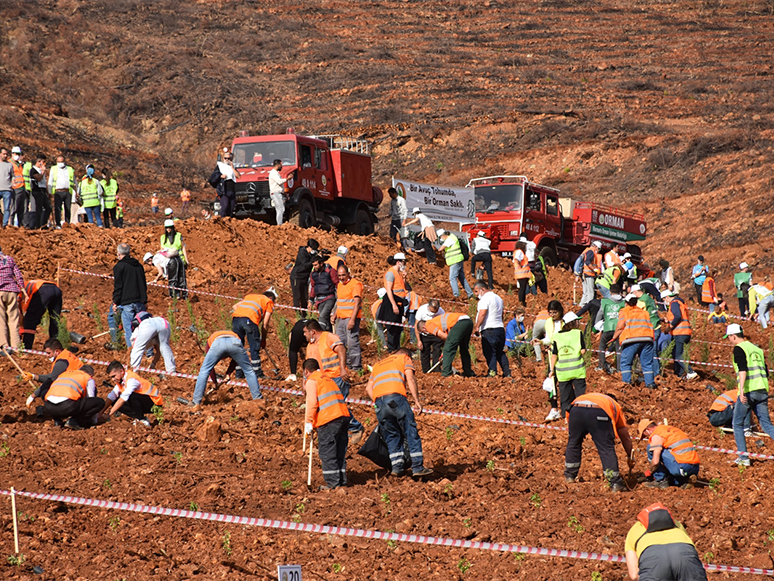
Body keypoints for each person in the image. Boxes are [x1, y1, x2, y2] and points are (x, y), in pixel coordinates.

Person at [365, 348, 432, 478]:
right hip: (396, 398)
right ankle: (417, 467)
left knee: (391, 434)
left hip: (379, 402)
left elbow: (368, 388)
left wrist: (379, 402)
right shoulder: (404, 359)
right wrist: (417, 401)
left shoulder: (378, 364)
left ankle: (397, 467)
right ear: (406, 354)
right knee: (410, 430)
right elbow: (410, 379)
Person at [303, 320, 364, 442]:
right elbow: (308, 366)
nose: (304, 335)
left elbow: (341, 349)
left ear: (312, 332)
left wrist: (342, 369)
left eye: (305, 332)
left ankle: (355, 427)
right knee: (327, 407)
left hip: (337, 377)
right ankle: (339, 432)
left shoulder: (328, 337)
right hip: (324, 381)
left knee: (337, 406)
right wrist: (305, 383)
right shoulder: (311, 346)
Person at [725, 323, 774, 466]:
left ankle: (744, 457)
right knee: (766, 424)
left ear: (733, 336)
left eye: (729, 337)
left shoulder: (739, 348)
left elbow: (743, 369)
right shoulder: (757, 349)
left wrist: (741, 390)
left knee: (737, 423)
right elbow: (765, 371)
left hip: (748, 391)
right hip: (762, 390)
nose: (729, 340)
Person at [564, 392, 633, 492]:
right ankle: (615, 483)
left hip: (575, 410)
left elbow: (569, 419)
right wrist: (630, 455)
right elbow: (624, 435)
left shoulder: (588, 396)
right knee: (606, 448)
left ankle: (570, 476)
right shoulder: (614, 405)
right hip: (599, 412)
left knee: (573, 442)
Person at [624, 503, 708, 581]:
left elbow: (634, 575)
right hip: (684, 553)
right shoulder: (676, 524)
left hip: (653, 560)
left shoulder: (634, 529)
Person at [303, 358, 350, 490]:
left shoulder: (312, 380)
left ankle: (333, 484)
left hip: (329, 419)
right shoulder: (327, 378)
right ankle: (341, 481)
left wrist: (308, 422)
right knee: (339, 450)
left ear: (306, 371)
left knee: (327, 452)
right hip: (343, 416)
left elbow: (312, 403)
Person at [191, 330, 263, 406]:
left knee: (204, 370)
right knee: (248, 370)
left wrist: (214, 382)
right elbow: (236, 360)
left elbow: (210, 368)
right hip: (234, 342)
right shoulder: (235, 335)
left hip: (218, 343)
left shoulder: (210, 340)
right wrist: (228, 373)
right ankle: (257, 399)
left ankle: (196, 402)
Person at [612, 293, 657, 389]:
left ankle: (627, 384)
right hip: (647, 339)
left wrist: (614, 337)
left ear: (626, 302)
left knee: (625, 362)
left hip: (631, 339)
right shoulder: (644, 312)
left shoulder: (624, 311)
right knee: (647, 363)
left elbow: (620, 326)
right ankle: (650, 384)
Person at [637, 419, 700, 488]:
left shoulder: (656, 435)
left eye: (644, 435)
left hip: (681, 466)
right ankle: (685, 480)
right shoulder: (668, 429)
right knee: (671, 479)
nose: (646, 437)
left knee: (650, 447)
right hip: (695, 467)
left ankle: (660, 481)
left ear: (647, 430)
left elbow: (655, 462)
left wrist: (650, 472)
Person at [23, 339, 83, 409]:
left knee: (46, 393)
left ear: (57, 351)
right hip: (80, 386)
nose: (47, 355)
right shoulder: (66, 354)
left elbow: (51, 380)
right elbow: (54, 376)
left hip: (74, 391)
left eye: (49, 353)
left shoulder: (61, 362)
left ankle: (59, 413)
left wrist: (33, 396)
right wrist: (33, 376)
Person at [231, 288, 276, 379]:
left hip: (236, 319)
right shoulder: (268, 302)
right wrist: (263, 339)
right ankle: (257, 373)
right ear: (271, 298)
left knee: (238, 347)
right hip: (249, 320)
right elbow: (265, 324)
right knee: (254, 348)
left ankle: (239, 373)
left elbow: (235, 306)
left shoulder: (250, 296)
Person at [42, 364, 104, 430]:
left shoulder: (64, 374)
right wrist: (94, 421)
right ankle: (74, 421)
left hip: (49, 407)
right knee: (100, 402)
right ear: (90, 374)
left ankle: (57, 421)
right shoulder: (87, 377)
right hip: (67, 407)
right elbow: (91, 398)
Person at [102, 360, 162, 426]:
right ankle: (138, 417)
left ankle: (141, 419)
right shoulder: (120, 381)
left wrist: (108, 415)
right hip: (143, 401)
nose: (113, 379)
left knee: (130, 396)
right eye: (111, 377)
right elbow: (112, 396)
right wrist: (100, 413)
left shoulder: (132, 379)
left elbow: (123, 398)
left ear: (121, 371)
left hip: (154, 403)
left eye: (114, 376)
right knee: (114, 401)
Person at [110, 243, 148, 348]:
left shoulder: (119, 267)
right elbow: (143, 284)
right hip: (139, 302)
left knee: (129, 330)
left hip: (127, 303)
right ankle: (149, 353)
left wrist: (115, 302)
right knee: (143, 328)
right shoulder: (138, 266)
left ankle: (132, 354)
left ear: (118, 254)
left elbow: (118, 286)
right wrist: (144, 300)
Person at [550, 312, 587, 419]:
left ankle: (566, 417)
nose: (579, 322)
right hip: (578, 370)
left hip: (563, 372)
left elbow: (554, 355)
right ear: (573, 322)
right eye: (577, 321)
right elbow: (583, 351)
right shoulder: (578, 333)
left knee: (565, 396)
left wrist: (551, 370)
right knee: (580, 394)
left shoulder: (556, 336)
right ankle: (581, 415)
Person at [419, 312, 474, 377]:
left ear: (423, 328)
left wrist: (446, 351)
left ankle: (446, 373)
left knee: (449, 349)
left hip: (459, 323)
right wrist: (444, 353)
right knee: (464, 348)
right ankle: (468, 372)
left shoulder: (428, 325)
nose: (426, 333)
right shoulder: (437, 321)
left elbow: (445, 337)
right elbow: (448, 338)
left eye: (423, 332)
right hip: (468, 321)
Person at [473, 281, 509, 378]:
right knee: (500, 352)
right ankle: (507, 372)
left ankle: (492, 372)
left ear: (483, 289)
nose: (476, 294)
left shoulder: (485, 299)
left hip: (489, 329)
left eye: (476, 291)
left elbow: (482, 313)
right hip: (500, 329)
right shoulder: (498, 298)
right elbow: (502, 314)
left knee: (490, 351)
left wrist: (477, 326)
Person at [662, 290, 697, 380]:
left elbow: (677, 316)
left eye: (664, 299)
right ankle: (679, 374)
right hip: (685, 332)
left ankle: (690, 372)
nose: (664, 302)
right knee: (676, 353)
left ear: (667, 297)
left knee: (678, 355)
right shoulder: (680, 303)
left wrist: (670, 327)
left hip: (680, 332)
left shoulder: (674, 303)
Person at [334, 265, 363, 371]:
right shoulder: (340, 285)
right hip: (341, 318)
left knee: (352, 343)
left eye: (343, 275)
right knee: (340, 342)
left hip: (350, 318)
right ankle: (347, 364)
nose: (341, 277)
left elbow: (357, 303)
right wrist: (335, 314)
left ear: (348, 274)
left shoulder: (355, 284)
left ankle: (356, 366)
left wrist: (352, 320)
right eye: (339, 275)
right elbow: (340, 302)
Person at [20, 280, 62, 349]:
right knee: (55, 319)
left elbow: (18, 310)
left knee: (30, 320)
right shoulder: (27, 283)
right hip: (56, 289)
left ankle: (27, 348)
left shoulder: (16, 288)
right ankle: (55, 347)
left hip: (43, 290)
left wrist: (22, 324)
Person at [380, 253, 409, 351]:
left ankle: (397, 349)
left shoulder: (398, 274)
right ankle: (392, 349)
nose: (404, 264)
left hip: (399, 303)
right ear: (398, 262)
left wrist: (404, 278)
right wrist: (394, 305)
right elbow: (389, 290)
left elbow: (401, 289)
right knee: (392, 328)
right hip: (392, 303)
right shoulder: (390, 273)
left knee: (398, 329)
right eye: (403, 262)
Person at [594, 283, 624, 374]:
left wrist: (597, 326)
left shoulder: (605, 301)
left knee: (602, 346)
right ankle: (619, 369)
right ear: (620, 292)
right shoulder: (624, 302)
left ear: (610, 292)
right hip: (620, 329)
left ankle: (601, 365)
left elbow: (600, 314)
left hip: (608, 328)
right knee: (619, 350)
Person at [0, 246, 26, 350]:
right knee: (13, 321)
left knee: (1, 320)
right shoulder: (9, 259)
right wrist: (23, 289)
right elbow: (18, 275)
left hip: (0, 291)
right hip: (12, 292)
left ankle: (4, 347)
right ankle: (17, 347)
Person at [437, 229, 473, 299]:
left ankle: (456, 295)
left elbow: (440, 249)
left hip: (455, 261)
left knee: (452, 277)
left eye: (440, 237)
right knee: (461, 278)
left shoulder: (450, 239)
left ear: (443, 235)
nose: (441, 238)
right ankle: (470, 293)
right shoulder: (452, 237)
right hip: (458, 260)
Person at [309, 254, 338, 333]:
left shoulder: (330, 271)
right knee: (326, 320)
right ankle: (329, 335)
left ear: (321, 263)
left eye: (316, 265)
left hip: (329, 297)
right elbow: (313, 287)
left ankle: (319, 334)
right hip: (319, 299)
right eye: (313, 265)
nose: (314, 267)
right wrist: (311, 300)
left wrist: (340, 295)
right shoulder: (313, 274)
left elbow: (337, 283)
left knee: (322, 317)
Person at [290, 238, 319, 315]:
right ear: (309, 247)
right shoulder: (302, 253)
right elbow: (305, 265)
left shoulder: (310, 254)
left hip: (304, 278)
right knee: (297, 296)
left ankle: (305, 313)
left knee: (304, 297)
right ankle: (298, 314)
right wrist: (313, 260)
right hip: (297, 277)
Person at [160, 220, 189, 299]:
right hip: (170, 260)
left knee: (181, 277)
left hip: (179, 259)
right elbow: (162, 250)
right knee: (173, 278)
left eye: (169, 228)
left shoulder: (178, 235)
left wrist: (186, 260)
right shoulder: (163, 238)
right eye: (166, 228)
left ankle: (184, 295)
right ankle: (174, 294)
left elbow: (183, 247)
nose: (168, 230)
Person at [415, 298, 444, 372]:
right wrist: (419, 340)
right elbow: (416, 325)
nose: (433, 314)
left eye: (435, 312)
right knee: (424, 353)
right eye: (432, 311)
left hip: (436, 334)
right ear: (428, 306)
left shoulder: (441, 311)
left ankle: (436, 370)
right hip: (424, 335)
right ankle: (426, 371)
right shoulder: (421, 310)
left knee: (437, 352)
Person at [48, 155, 76, 228]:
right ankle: (58, 224)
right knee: (57, 208)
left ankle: (67, 223)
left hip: (67, 191)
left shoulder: (70, 169)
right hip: (58, 191)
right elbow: (50, 181)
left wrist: (76, 192)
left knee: (68, 208)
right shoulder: (54, 169)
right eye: (58, 161)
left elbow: (74, 181)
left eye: (61, 161)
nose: (60, 163)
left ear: (64, 161)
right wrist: (50, 192)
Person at [10, 147, 32, 228]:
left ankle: (20, 226)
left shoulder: (19, 164)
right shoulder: (10, 163)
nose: (17, 156)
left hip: (23, 188)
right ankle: (11, 225)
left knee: (22, 209)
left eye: (18, 154)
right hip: (15, 188)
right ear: (12, 154)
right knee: (13, 208)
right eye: (16, 154)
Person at [285, 318, 312, 382]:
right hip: (310, 330)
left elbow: (291, 339)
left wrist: (297, 350)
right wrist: (300, 351)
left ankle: (293, 374)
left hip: (298, 330)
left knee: (292, 351)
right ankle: (312, 371)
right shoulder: (313, 325)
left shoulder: (296, 328)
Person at [28, 155, 50, 229]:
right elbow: (39, 179)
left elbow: (43, 182)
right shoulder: (33, 170)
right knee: (39, 208)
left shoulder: (41, 170)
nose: (44, 164)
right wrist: (43, 171)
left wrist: (47, 191)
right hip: (37, 191)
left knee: (48, 207)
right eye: (43, 162)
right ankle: (38, 225)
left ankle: (44, 223)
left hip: (43, 190)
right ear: (39, 162)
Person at [216, 151, 240, 217]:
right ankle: (222, 220)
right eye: (225, 158)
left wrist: (232, 167)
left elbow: (238, 176)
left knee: (231, 207)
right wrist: (221, 176)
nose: (227, 160)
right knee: (224, 206)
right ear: (223, 158)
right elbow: (214, 176)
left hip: (232, 189)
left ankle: (229, 220)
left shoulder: (232, 167)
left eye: (228, 158)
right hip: (224, 190)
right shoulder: (220, 166)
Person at [579, 241, 603, 307]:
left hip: (585, 274)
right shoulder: (591, 251)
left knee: (586, 293)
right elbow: (587, 262)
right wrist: (594, 269)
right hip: (589, 274)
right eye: (598, 249)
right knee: (590, 294)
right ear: (595, 247)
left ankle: (581, 306)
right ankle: (589, 308)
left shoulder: (587, 250)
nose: (598, 250)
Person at [267, 159, 288, 225]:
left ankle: (280, 223)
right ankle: (279, 224)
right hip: (275, 193)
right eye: (281, 165)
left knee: (281, 209)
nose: (281, 166)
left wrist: (284, 193)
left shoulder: (276, 173)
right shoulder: (273, 173)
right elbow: (279, 181)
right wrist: (287, 179)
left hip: (278, 193)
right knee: (280, 209)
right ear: (278, 164)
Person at [513, 240, 533, 307]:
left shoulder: (517, 251)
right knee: (522, 288)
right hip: (522, 274)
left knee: (523, 288)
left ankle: (522, 302)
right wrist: (519, 266)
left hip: (522, 274)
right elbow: (516, 259)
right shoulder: (519, 251)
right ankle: (521, 302)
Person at [0, 148, 14, 227]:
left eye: (6, 154)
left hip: (7, 189)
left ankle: (5, 225)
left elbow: (12, 176)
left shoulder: (9, 165)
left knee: (7, 208)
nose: (5, 156)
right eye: (4, 154)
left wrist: (13, 181)